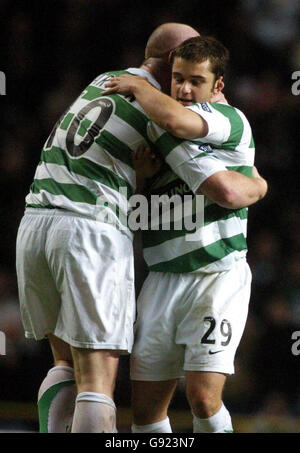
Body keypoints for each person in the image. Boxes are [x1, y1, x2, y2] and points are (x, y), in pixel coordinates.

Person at [15, 23, 202, 433]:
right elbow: (187, 131)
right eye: (191, 65)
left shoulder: (105, 80)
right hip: (88, 231)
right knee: (98, 378)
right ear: (174, 62)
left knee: (65, 362)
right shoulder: (157, 105)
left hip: (35, 222)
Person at [103, 35, 268, 433]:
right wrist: (143, 181)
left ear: (218, 86)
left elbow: (177, 121)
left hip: (216, 274)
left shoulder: (228, 120)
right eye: (178, 78)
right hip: (161, 278)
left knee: (203, 396)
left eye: (196, 80)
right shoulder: (154, 130)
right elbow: (140, 215)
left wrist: (140, 86)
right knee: (144, 412)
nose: (185, 89)